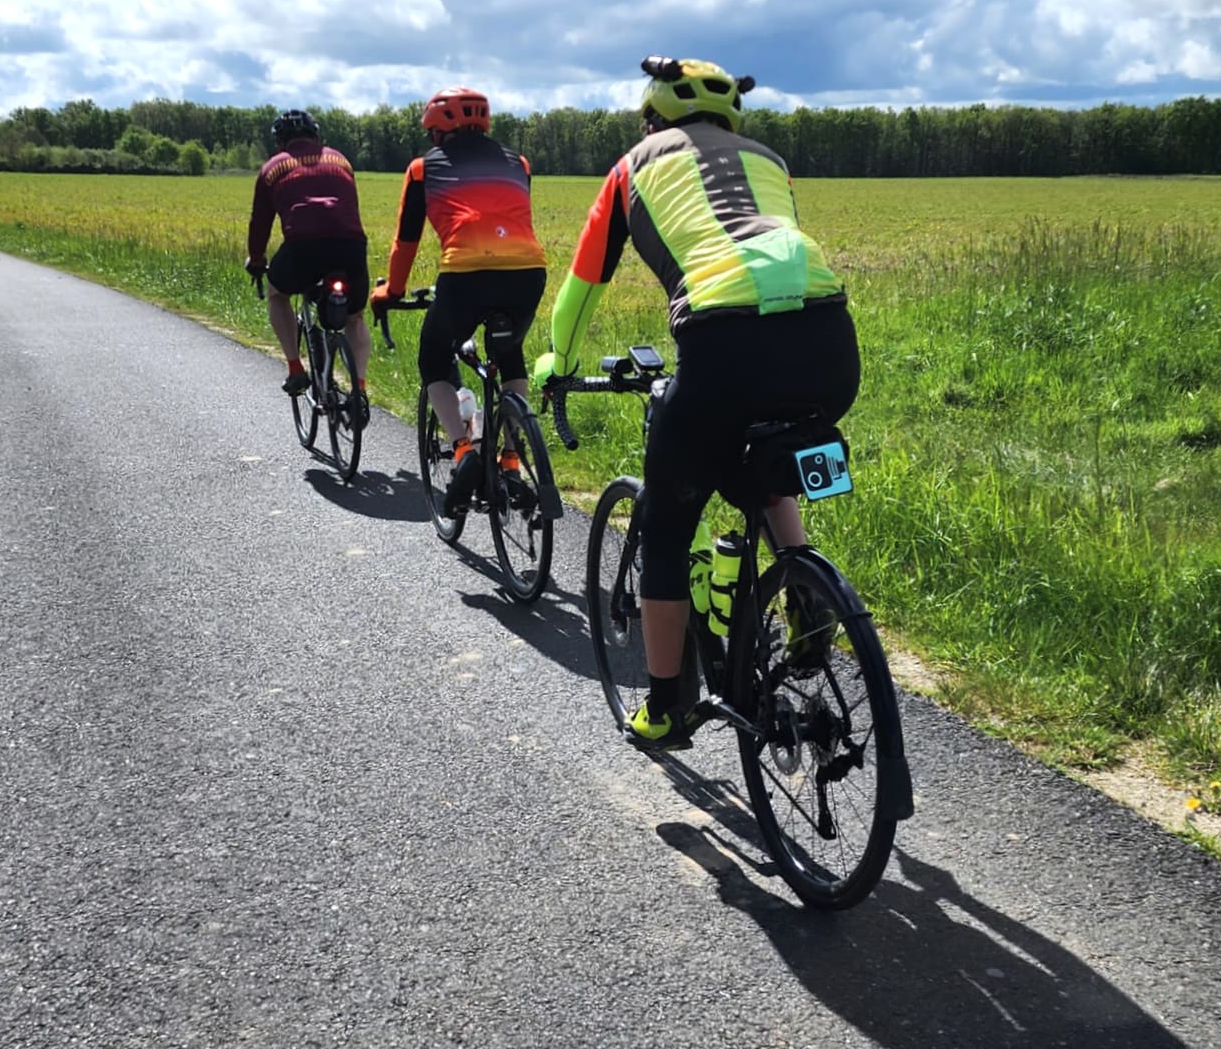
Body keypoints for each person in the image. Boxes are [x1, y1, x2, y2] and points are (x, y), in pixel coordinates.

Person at [532, 57, 859, 750]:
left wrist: (558, 361)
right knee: (765, 452)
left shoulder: (632, 167)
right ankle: (806, 593)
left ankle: (664, 709)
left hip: (723, 346)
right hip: (830, 342)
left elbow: (585, 282)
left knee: (668, 525)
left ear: (653, 116)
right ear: (731, 116)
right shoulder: (770, 160)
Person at [368, 87, 546, 512]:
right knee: (509, 354)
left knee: (433, 357)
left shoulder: (421, 169)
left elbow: (405, 242)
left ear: (436, 133)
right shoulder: (519, 164)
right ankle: (510, 457)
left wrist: (390, 292)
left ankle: (464, 450)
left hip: (467, 274)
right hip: (528, 271)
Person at [245, 109, 372, 425]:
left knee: (278, 292)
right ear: (316, 136)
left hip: (302, 245)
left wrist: (257, 259)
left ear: (280, 141)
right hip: (350, 244)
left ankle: (295, 367)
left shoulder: (273, 167)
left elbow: (260, 223)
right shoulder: (340, 159)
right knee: (355, 317)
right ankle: (359, 388)